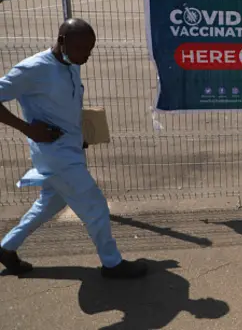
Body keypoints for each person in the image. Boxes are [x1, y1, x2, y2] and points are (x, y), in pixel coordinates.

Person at [0, 18, 147, 279]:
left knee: (50, 203)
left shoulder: (71, 64)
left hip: (70, 149)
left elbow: (65, 106)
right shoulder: (33, 69)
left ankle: (6, 248)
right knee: (96, 206)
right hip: (55, 154)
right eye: (82, 49)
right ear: (61, 41)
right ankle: (112, 264)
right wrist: (27, 128)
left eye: (90, 50)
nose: (87, 56)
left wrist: (81, 134)